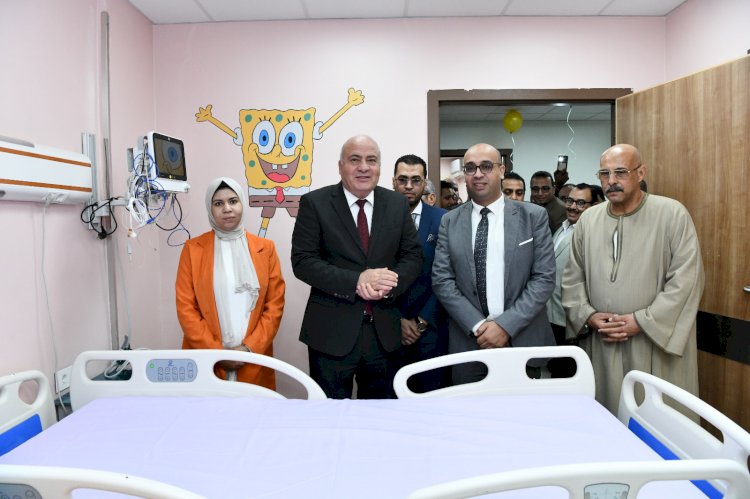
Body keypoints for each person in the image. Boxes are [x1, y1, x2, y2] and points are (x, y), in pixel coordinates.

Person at [562, 144, 705, 413]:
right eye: (604, 174)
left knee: (656, 421)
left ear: (641, 173)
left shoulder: (672, 214)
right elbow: (572, 278)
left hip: (653, 342)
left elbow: (686, 279)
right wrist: (588, 316)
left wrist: (642, 321)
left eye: (620, 172)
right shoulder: (588, 219)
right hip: (603, 340)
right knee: (607, 417)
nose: (611, 181)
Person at [291, 135, 422, 399]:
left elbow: (413, 256)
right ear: (340, 166)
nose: (364, 167)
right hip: (331, 335)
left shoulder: (397, 204)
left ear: (379, 167)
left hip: (384, 335)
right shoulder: (315, 203)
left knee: (380, 415)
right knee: (329, 414)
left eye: (371, 160)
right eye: (355, 160)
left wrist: (387, 284)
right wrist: (357, 281)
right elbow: (303, 261)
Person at [432, 143, 556, 384]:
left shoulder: (533, 217)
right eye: (470, 168)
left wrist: (505, 326)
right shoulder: (449, 221)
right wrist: (479, 326)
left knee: (523, 409)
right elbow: (442, 280)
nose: (478, 174)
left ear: (501, 170)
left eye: (486, 166)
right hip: (470, 342)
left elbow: (544, 278)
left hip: (521, 340)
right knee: (470, 408)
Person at [176, 177, 285, 389]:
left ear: (242, 203)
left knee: (254, 408)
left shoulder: (265, 248)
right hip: (207, 359)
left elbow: (275, 306)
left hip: (253, 358)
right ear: (210, 209)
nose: (227, 209)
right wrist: (216, 353)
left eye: (233, 201)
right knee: (208, 409)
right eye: (218, 203)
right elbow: (186, 308)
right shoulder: (193, 249)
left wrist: (248, 349)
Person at [391, 154, 449, 392]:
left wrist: (422, 321)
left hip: (431, 328)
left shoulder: (443, 219)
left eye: (415, 180)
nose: (408, 186)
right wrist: (397, 320)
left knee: (431, 401)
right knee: (389, 401)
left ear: (425, 183)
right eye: (402, 179)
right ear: (393, 182)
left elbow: (447, 275)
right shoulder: (377, 219)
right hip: (389, 330)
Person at [546, 183, 603, 378]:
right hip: (553, 315)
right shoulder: (562, 228)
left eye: (580, 203)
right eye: (569, 200)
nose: (572, 207)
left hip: (573, 319)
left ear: (594, 206)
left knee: (569, 374)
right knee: (556, 371)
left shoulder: (593, 235)